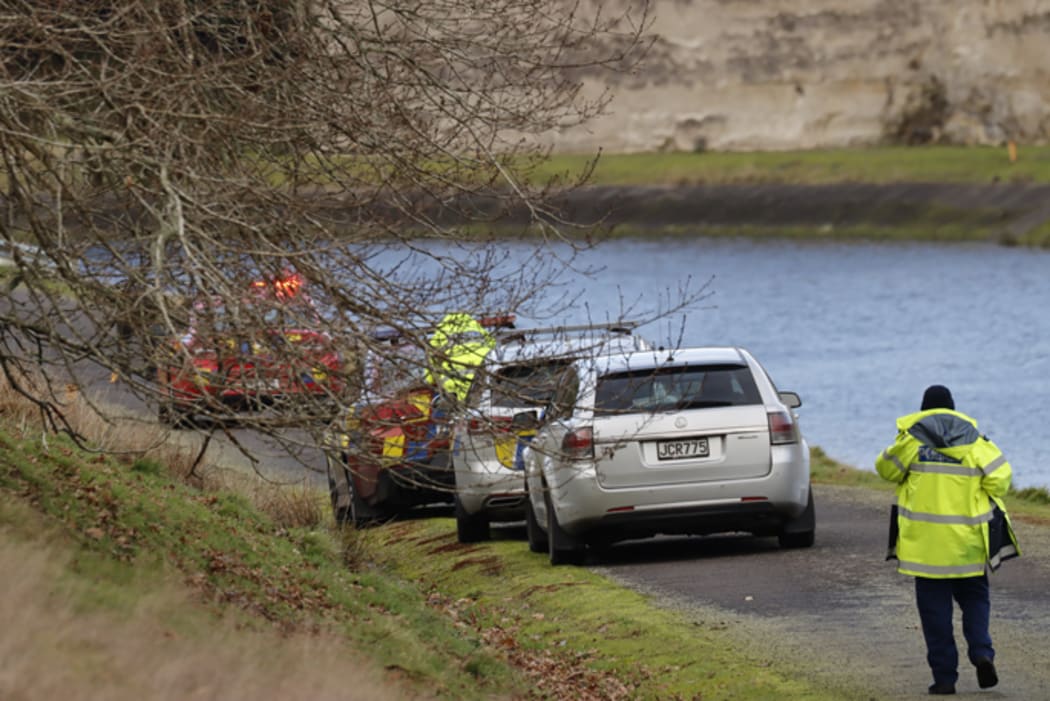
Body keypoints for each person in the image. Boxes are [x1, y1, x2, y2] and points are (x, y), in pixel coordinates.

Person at [876, 385, 1020, 696]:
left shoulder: (911, 441)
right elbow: (1001, 478)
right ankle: (982, 652)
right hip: (967, 544)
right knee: (975, 600)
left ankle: (944, 679)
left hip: (926, 549)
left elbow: (884, 469)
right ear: (953, 408)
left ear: (924, 408)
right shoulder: (975, 441)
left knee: (935, 615)